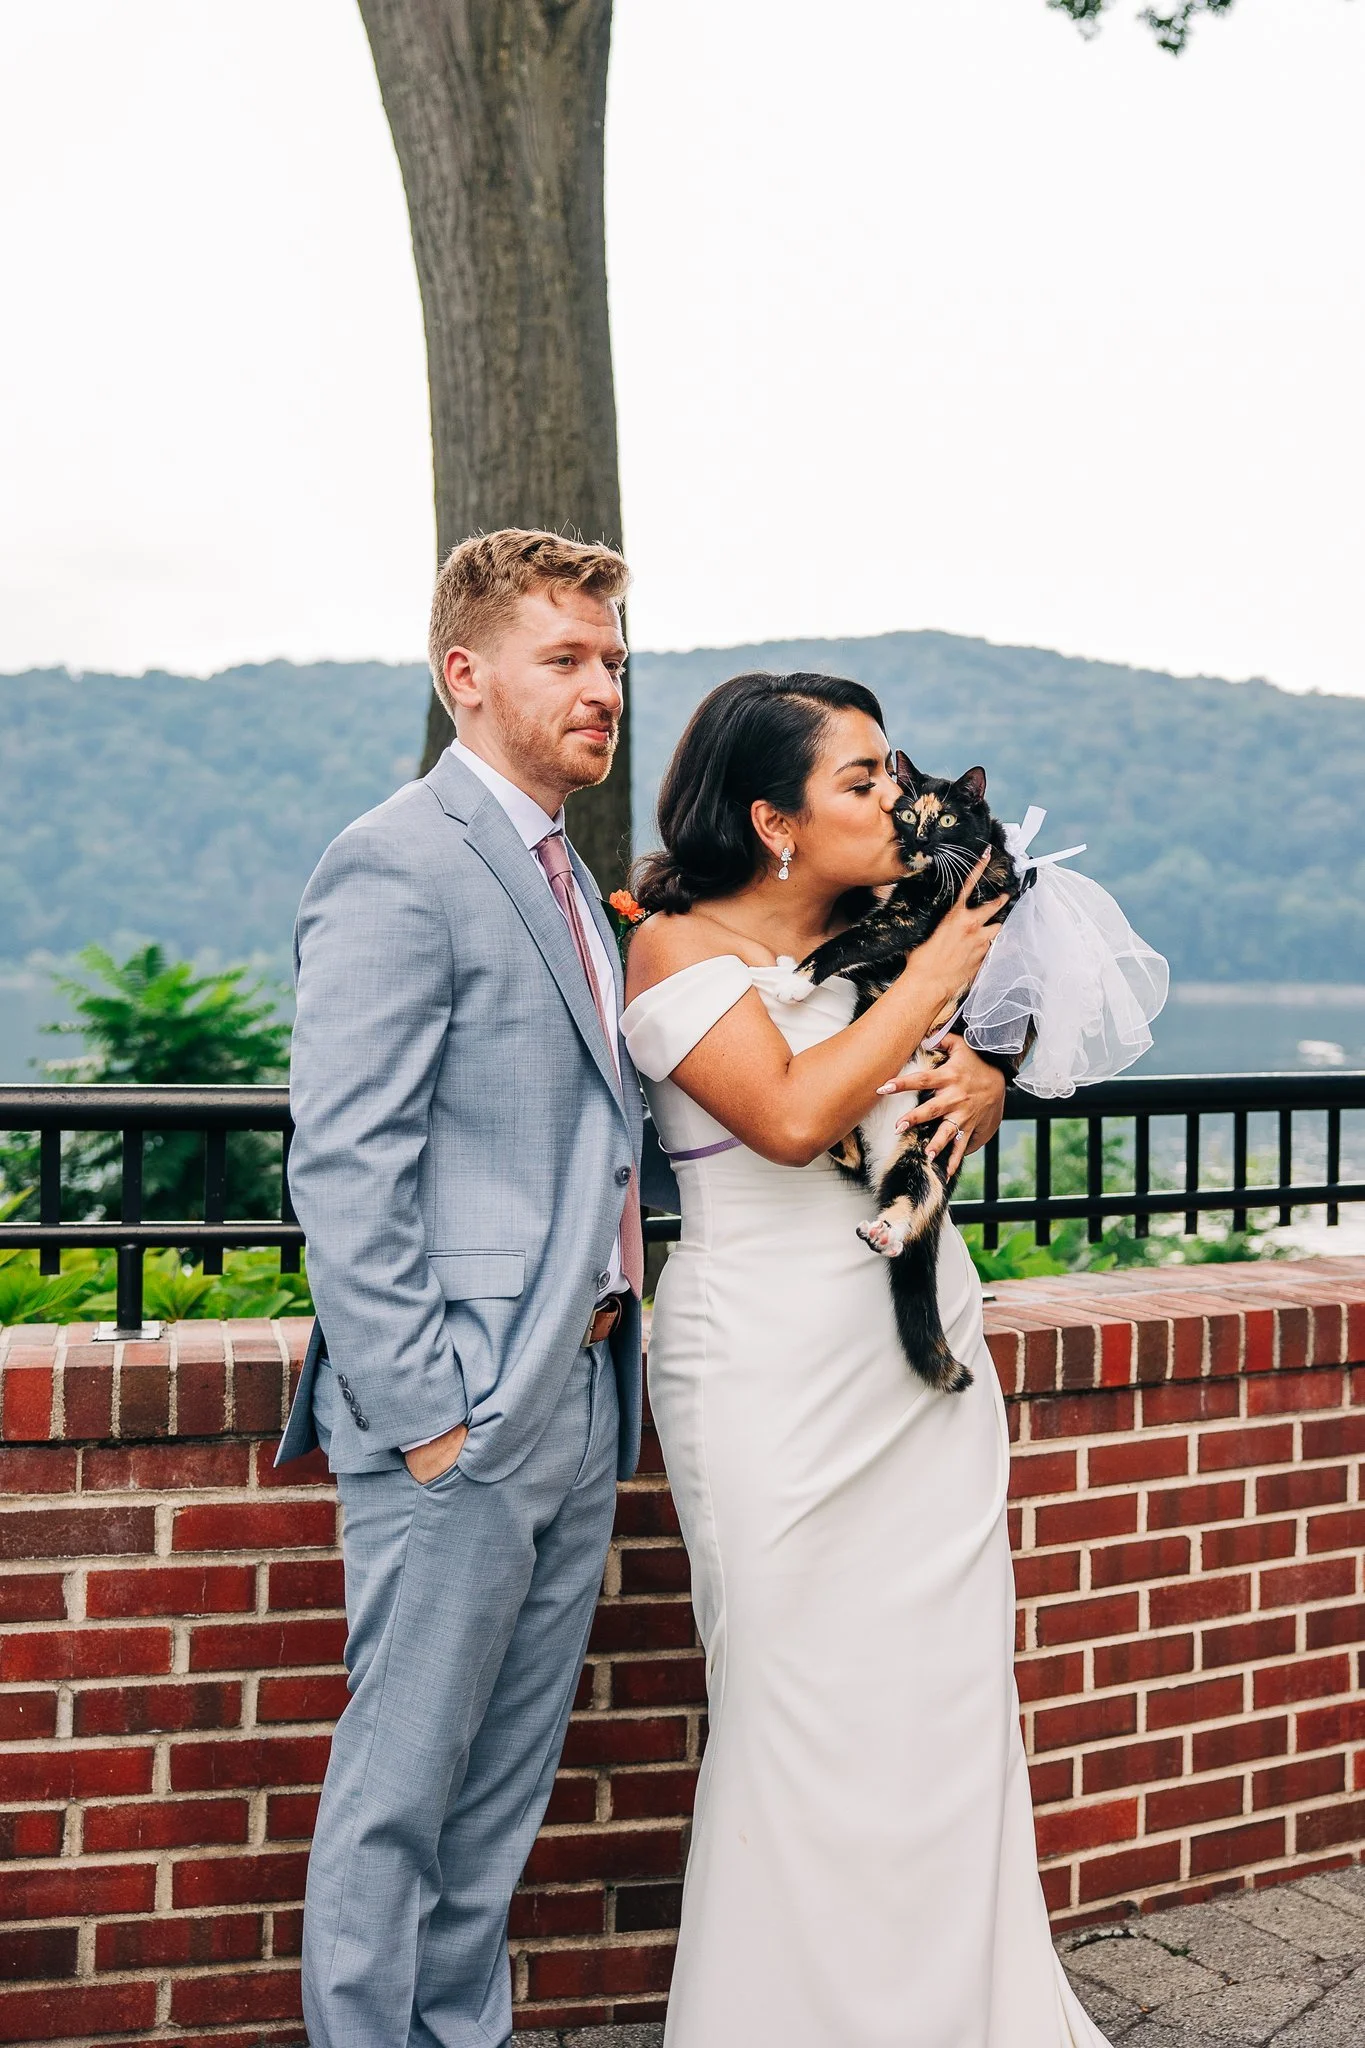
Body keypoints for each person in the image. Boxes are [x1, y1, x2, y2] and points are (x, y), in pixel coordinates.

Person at [622, 671, 1110, 2047]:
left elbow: (932, 1102)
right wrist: (943, 973)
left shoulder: (885, 943)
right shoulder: (676, 950)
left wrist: (985, 1079)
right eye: (862, 780)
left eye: (895, 770)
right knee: (799, 1708)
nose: (899, 799)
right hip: (766, 1371)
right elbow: (788, 1120)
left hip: (923, 1360)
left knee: (942, 1705)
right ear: (773, 820)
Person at [276, 529, 651, 2048]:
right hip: (465, 1414)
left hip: (583, 1388)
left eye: (613, 659)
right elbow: (345, 1163)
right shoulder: (398, 858)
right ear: (466, 674)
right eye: (565, 657)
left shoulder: (572, 881)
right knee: (399, 1797)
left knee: (499, 1797)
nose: (602, 687)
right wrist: (432, 1416)